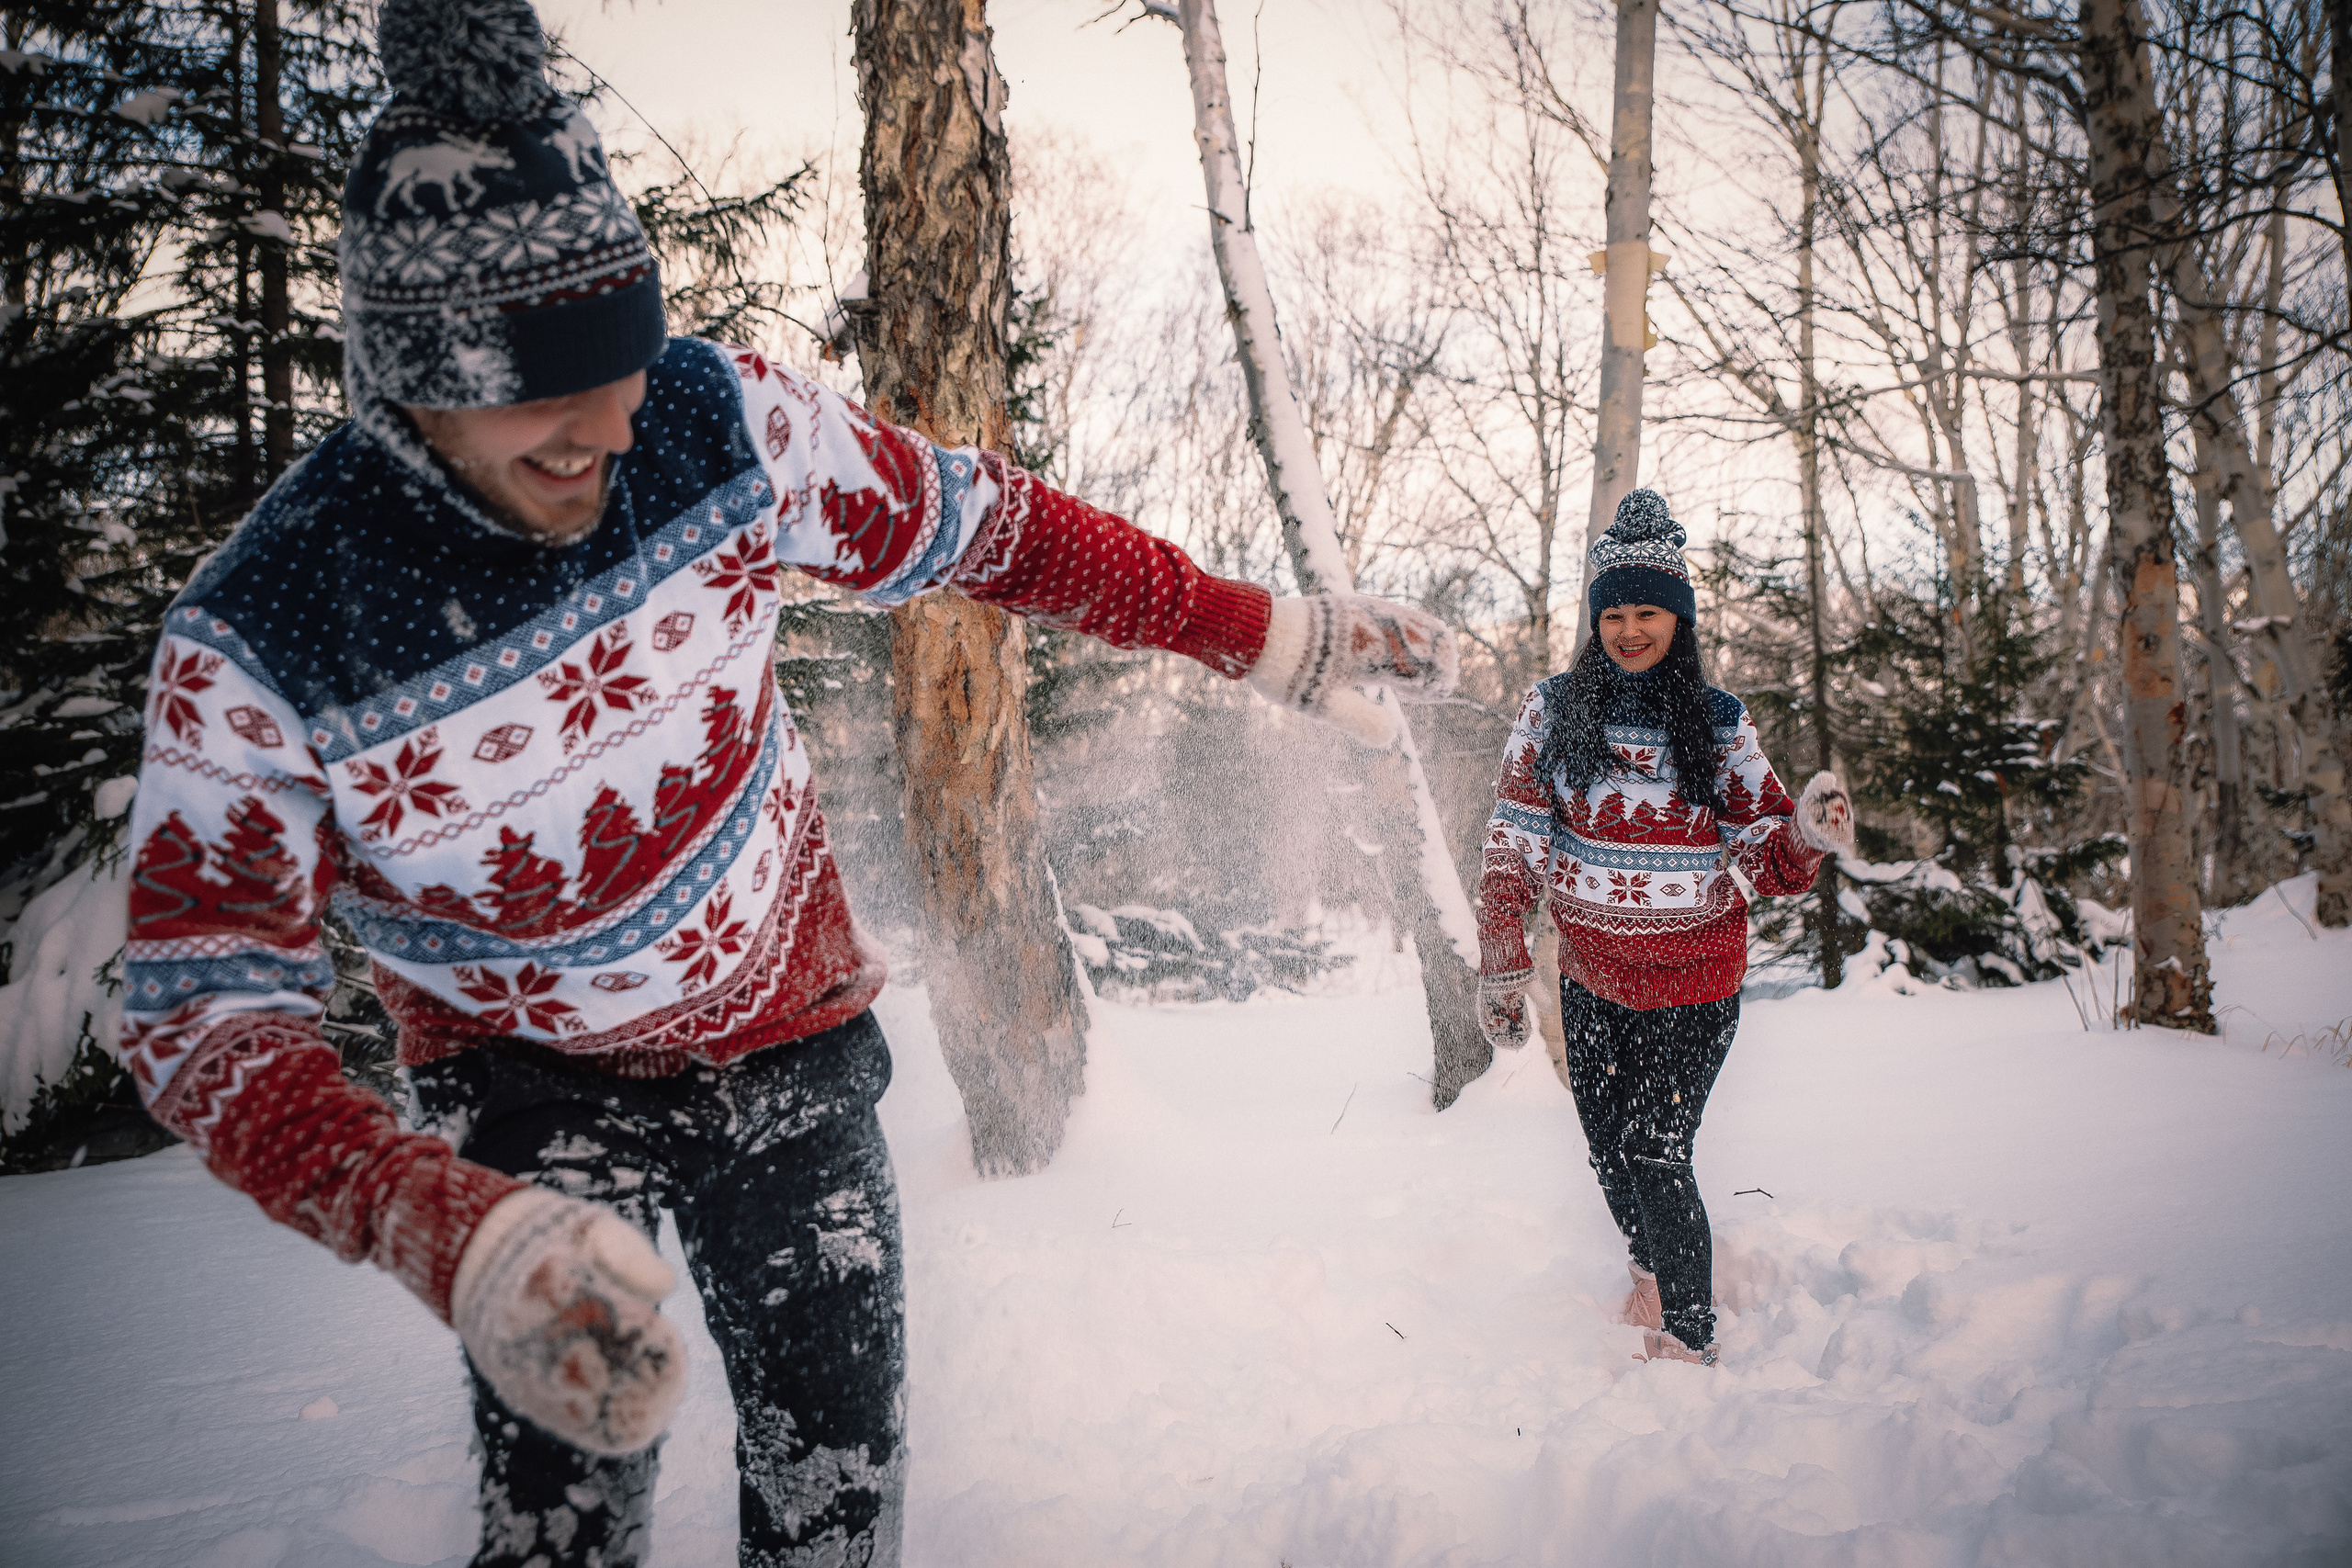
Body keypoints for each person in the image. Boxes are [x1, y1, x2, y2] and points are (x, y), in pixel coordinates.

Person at [118, 2, 1455, 1562]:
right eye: (546, 388)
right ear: (412, 376)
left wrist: (1265, 633)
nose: (608, 419)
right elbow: (204, 1009)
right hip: (528, 1086)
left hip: (788, 1033)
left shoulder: (717, 420)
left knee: (835, 1503)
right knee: (562, 1521)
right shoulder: (267, 631)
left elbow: (995, 531)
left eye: (620, 358)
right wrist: (440, 1223)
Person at [1471, 490, 1854, 1367]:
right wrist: (1501, 962)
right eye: (1614, 612)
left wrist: (1807, 834)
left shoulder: (1717, 724)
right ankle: (1649, 1268)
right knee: (1608, 1149)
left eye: (1648, 611)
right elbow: (1515, 839)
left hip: (1696, 987)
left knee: (1655, 1145)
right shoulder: (1553, 710)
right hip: (1594, 978)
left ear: (1678, 619)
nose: (1630, 628)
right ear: (1594, 621)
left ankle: (1688, 1339)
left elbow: (1764, 848)